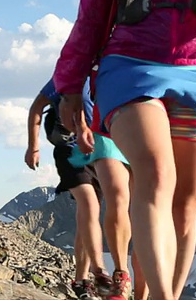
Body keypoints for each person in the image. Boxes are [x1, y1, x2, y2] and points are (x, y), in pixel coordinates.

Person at [53, 0, 196, 299]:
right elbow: (93, 9)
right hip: (131, 65)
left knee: (186, 204)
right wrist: (69, 85)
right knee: (157, 173)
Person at [25, 78, 111, 300]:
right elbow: (37, 107)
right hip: (69, 151)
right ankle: (98, 269)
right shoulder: (66, 74)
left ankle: (81, 282)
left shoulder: (109, 71)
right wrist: (33, 147)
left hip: (99, 153)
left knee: (87, 215)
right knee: (88, 204)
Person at [69, 79, 148, 300]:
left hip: (145, 122)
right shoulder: (96, 52)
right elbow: (73, 87)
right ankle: (121, 276)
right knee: (118, 197)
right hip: (105, 126)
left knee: (145, 212)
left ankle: (138, 292)